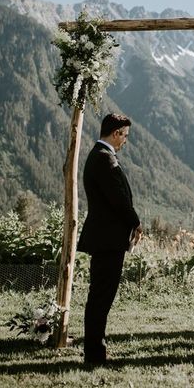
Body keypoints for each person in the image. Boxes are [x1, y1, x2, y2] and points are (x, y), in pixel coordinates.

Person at [77, 113, 142, 365]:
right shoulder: (105, 159)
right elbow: (118, 198)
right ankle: (94, 354)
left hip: (104, 237)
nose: (125, 141)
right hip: (107, 239)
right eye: (124, 136)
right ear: (116, 133)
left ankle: (95, 349)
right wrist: (135, 221)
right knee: (101, 297)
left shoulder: (99, 156)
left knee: (100, 296)